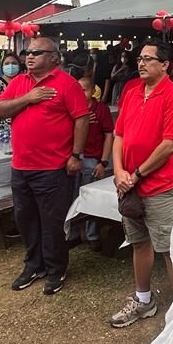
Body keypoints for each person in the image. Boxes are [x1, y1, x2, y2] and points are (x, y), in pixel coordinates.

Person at [0, 37, 89, 295]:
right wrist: (29, 98)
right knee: (25, 219)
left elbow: (81, 120)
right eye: (28, 52)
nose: (30, 57)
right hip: (21, 165)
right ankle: (34, 264)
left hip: (53, 167)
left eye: (37, 52)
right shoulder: (20, 83)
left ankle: (56, 269)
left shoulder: (67, 84)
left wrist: (76, 155)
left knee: (52, 221)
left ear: (54, 57)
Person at [109, 40, 173, 326]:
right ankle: (143, 300)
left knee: (170, 250)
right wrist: (118, 171)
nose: (141, 63)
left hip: (160, 189)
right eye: (140, 58)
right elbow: (119, 135)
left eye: (148, 59)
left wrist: (136, 174)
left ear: (165, 64)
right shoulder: (132, 93)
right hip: (130, 187)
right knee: (139, 243)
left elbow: (170, 144)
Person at [76, 75, 114, 248]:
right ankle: (73, 233)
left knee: (90, 197)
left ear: (92, 91)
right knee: (72, 196)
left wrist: (104, 162)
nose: (80, 93)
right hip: (72, 158)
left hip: (92, 158)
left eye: (84, 89)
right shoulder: (70, 109)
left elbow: (108, 135)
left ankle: (92, 235)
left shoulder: (101, 110)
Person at [0, 52, 22, 133]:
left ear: (19, 66)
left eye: (14, 63)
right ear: (2, 67)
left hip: (20, 124)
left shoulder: (24, 82)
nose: (10, 66)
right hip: (2, 128)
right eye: (7, 63)